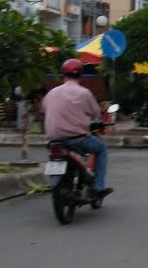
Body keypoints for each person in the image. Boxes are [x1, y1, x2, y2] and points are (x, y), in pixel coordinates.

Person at [43, 59, 112, 198]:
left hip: (54, 140)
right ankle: (98, 187)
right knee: (102, 148)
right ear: (80, 75)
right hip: (78, 140)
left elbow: (44, 109)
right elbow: (96, 113)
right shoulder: (84, 93)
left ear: (63, 74)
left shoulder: (52, 93)